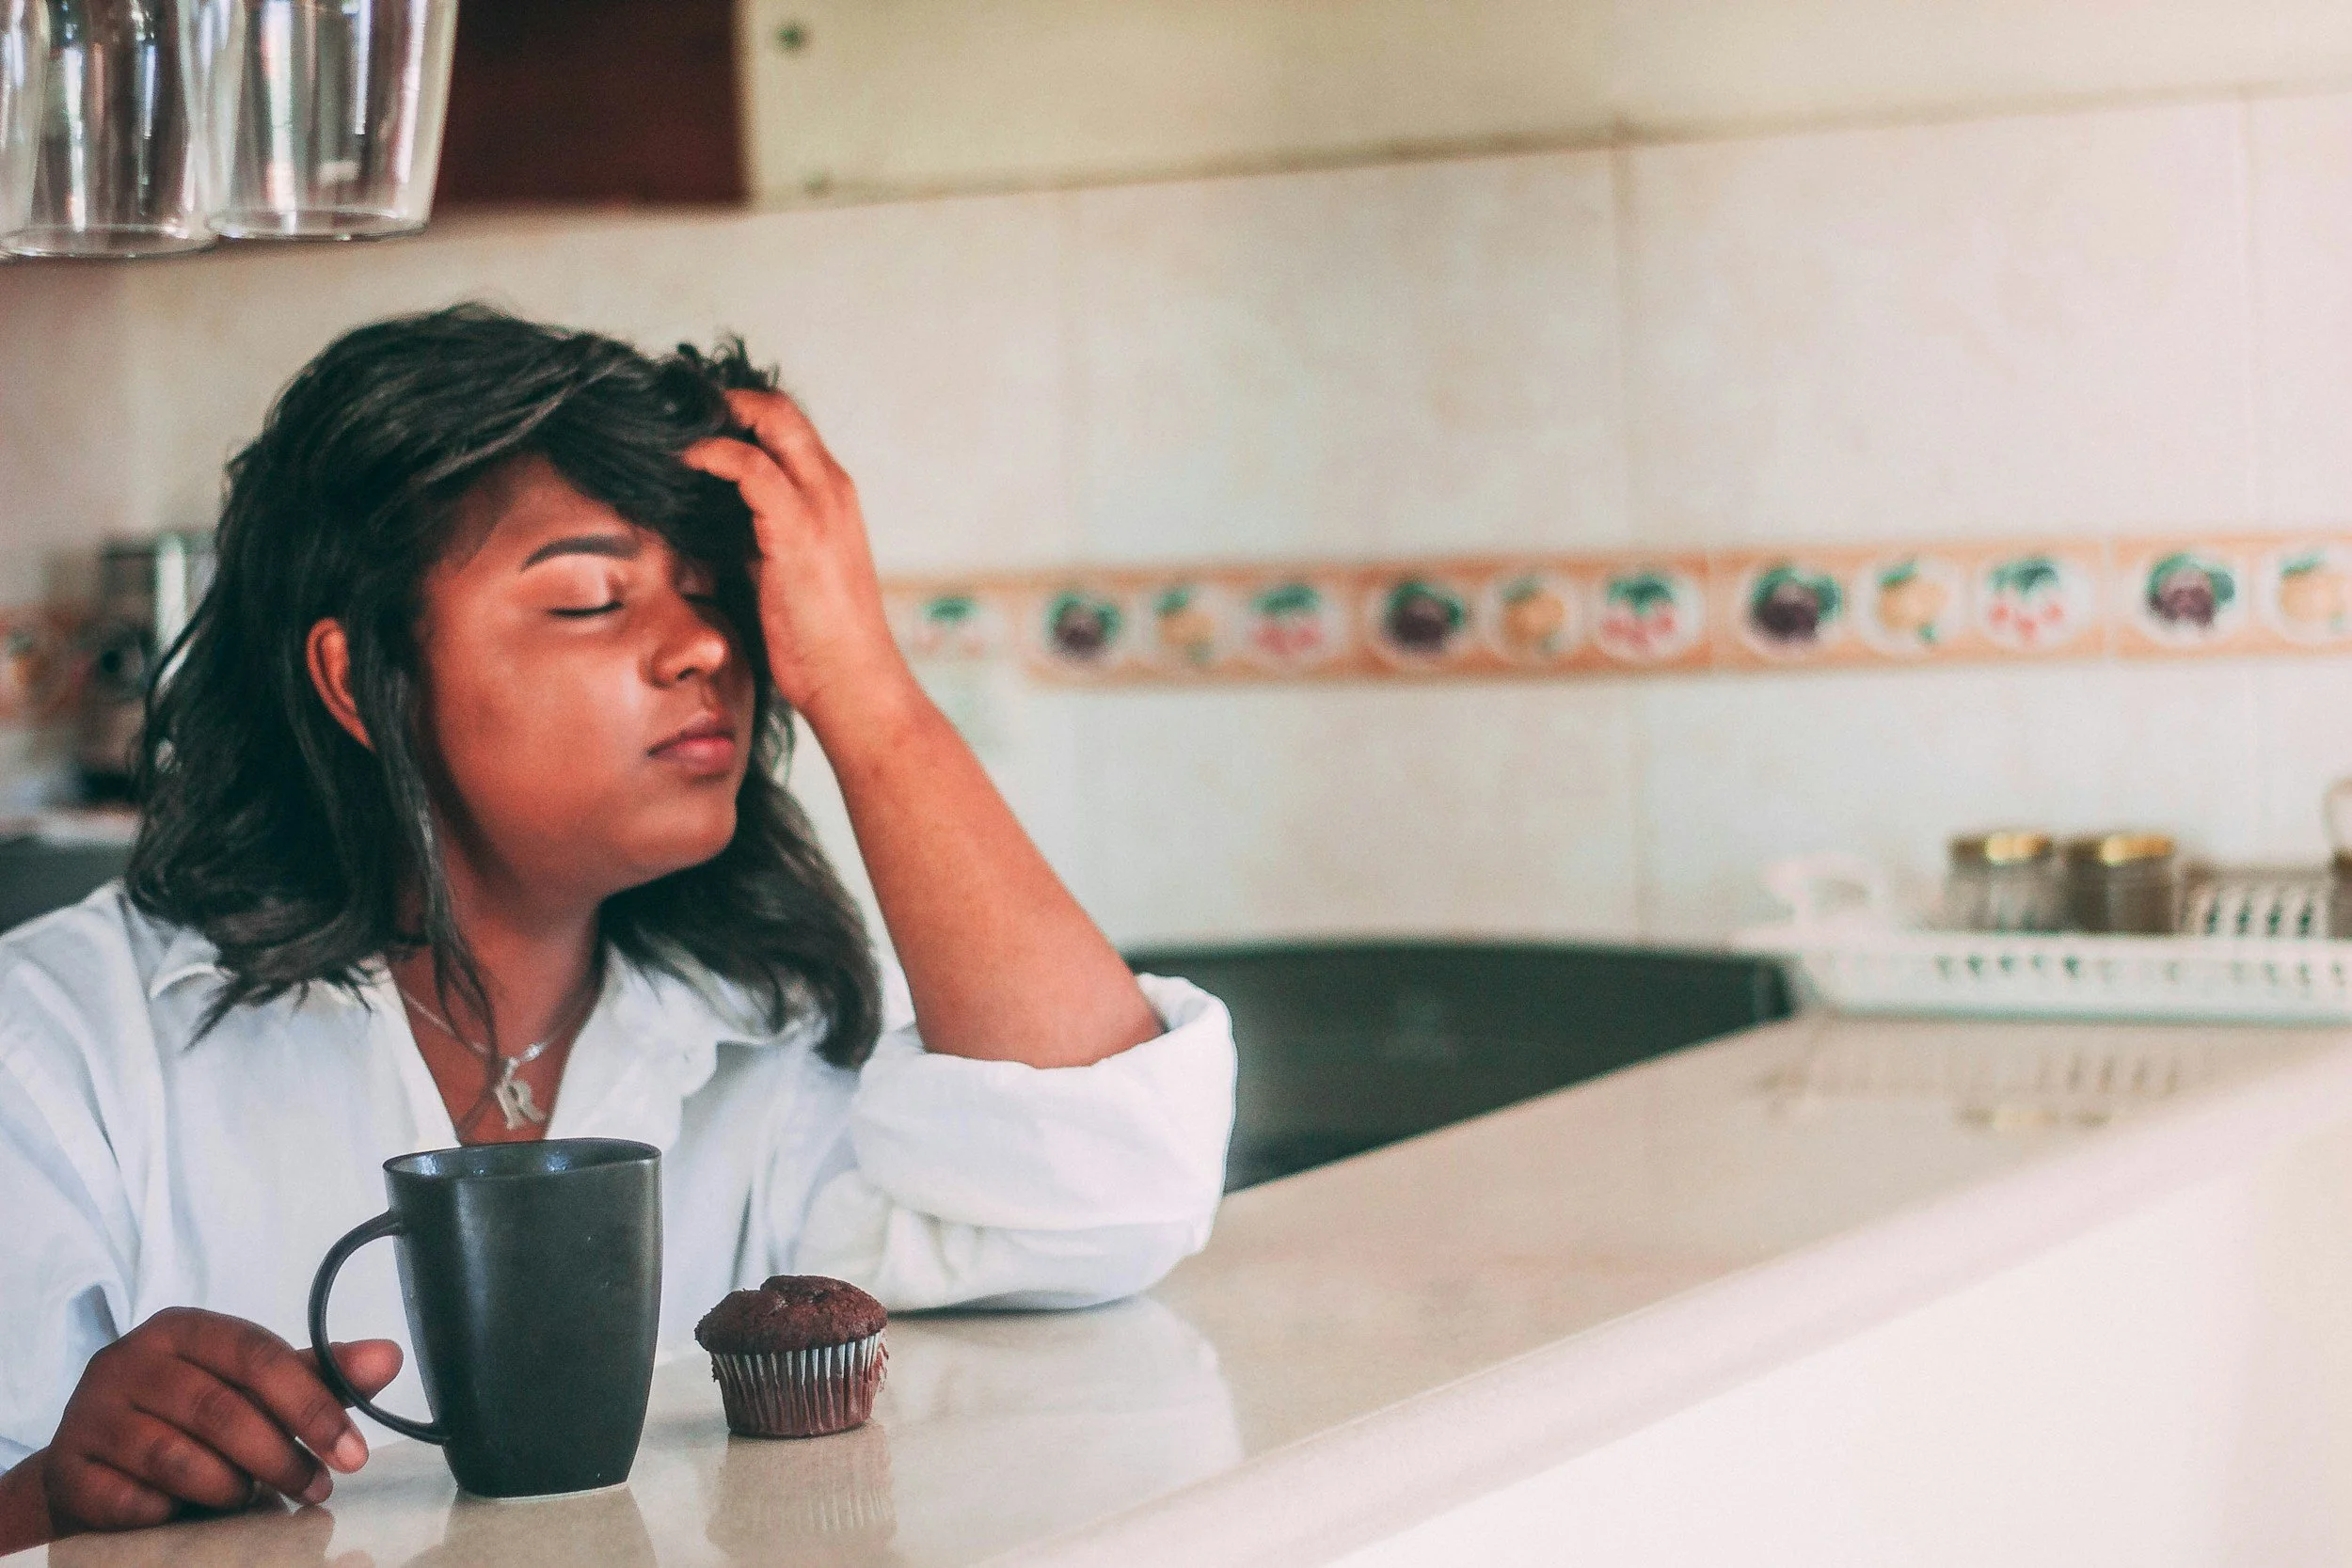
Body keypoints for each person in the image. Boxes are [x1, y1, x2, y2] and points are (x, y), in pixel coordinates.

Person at [0, 307, 1236, 1551]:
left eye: (714, 597)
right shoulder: (60, 1049)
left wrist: (862, 684)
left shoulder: (762, 1038)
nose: (703, 644)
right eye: (592, 600)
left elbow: (1108, 1197)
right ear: (354, 679)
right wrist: (55, 1491)